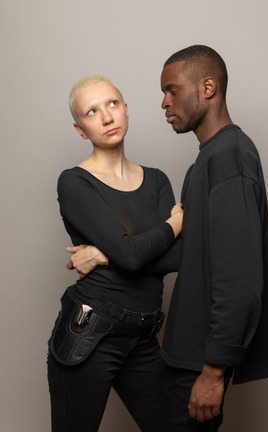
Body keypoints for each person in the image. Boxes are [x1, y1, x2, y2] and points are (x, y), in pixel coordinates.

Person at [47, 74, 183, 432]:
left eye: (112, 104)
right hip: (91, 336)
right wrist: (175, 225)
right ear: (80, 129)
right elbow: (134, 255)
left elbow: (180, 258)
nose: (106, 117)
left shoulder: (157, 180)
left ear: (126, 109)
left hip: (144, 338)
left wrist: (104, 255)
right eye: (92, 112)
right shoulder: (74, 182)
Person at [158, 45, 268, 431]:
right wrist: (104, 253)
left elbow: (241, 279)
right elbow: (189, 256)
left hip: (200, 364)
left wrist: (213, 372)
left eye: (172, 90)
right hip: (182, 358)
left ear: (207, 87)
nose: (164, 102)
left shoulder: (231, 156)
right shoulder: (203, 164)